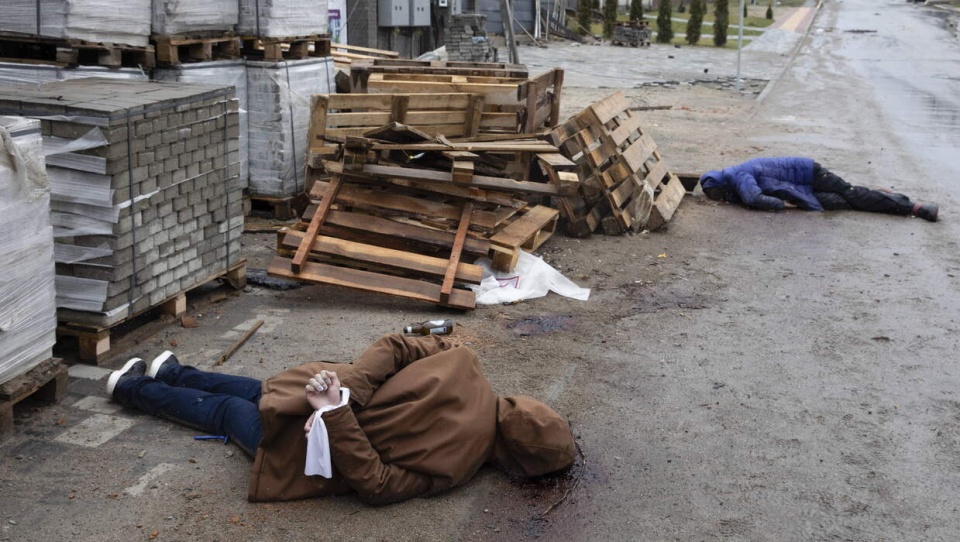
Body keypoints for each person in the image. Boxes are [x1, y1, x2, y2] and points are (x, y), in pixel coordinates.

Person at [105, 334, 576, 505]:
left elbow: (397, 345)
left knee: (256, 392)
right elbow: (378, 485)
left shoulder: (465, 362)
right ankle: (134, 387)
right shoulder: (460, 468)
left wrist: (341, 398)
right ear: (515, 459)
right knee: (243, 405)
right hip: (319, 444)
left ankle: (164, 373)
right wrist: (340, 405)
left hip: (321, 409)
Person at [699, 157, 939, 222]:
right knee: (841, 202)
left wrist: (784, 205)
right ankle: (885, 197)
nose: (718, 199)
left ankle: (915, 208)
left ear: (721, 184)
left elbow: (754, 198)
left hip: (811, 174)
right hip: (802, 187)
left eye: (716, 194)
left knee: (852, 195)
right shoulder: (734, 176)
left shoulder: (737, 175)